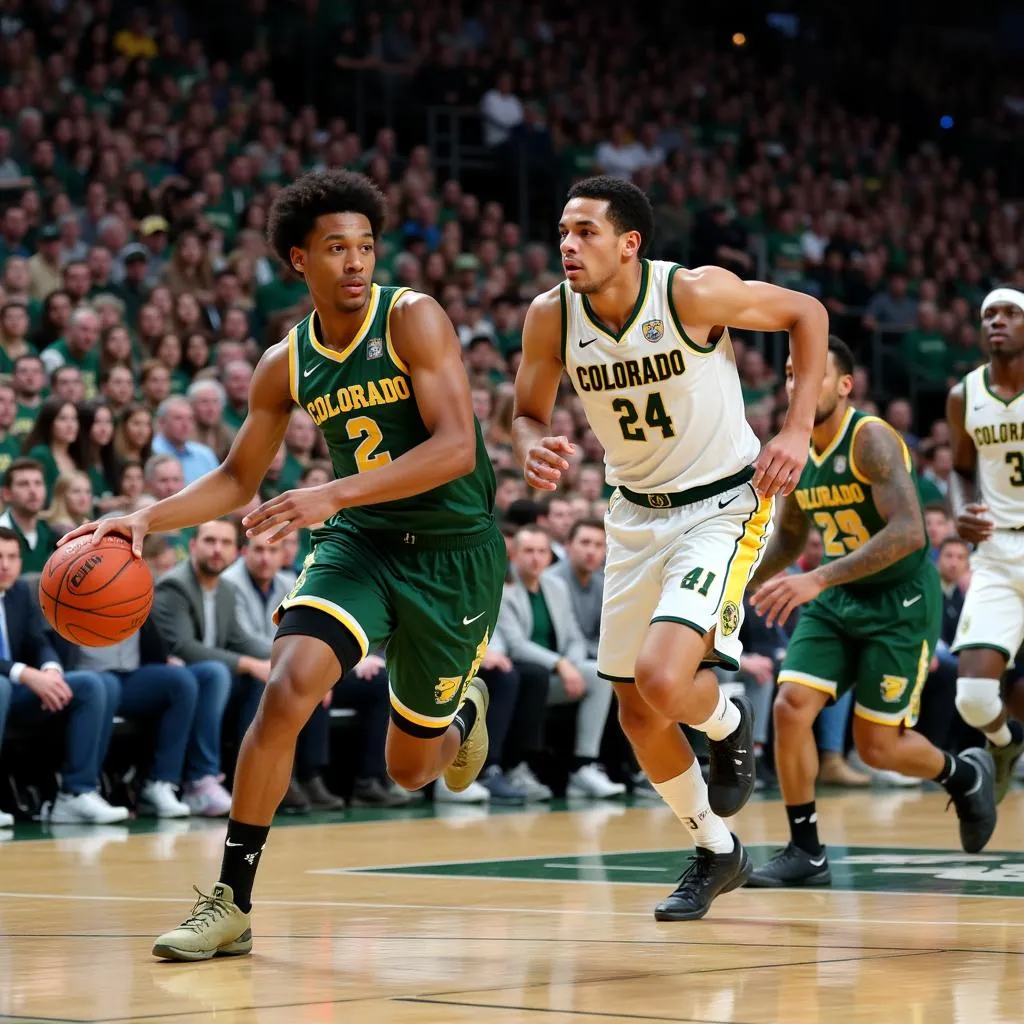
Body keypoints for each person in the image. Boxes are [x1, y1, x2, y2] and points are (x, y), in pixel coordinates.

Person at [62, 169, 505, 960]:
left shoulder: (413, 319)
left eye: (366, 246)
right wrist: (142, 518)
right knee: (287, 689)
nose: (356, 261)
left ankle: (463, 712)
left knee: (410, 770)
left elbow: (456, 447)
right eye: (336, 248)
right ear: (298, 260)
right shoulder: (285, 361)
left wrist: (331, 491)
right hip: (359, 545)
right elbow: (238, 477)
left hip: (453, 556)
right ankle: (231, 899)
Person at [511, 175, 828, 920]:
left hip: (721, 505)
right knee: (636, 710)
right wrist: (531, 445)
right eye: (562, 229)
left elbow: (806, 313)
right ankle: (718, 849)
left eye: (585, 231)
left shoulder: (689, 294)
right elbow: (526, 410)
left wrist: (796, 426)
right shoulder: (549, 317)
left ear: (629, 243)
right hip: (632, 514)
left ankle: (724, 718)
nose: (567, 243)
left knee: (659, 676)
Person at [744, 336, 996, 888]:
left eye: (809, 372)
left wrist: (816, 577)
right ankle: (805, 849)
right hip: (836, 599)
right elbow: (789, 537)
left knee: (879, 748)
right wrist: (741, 581)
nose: (796, 382)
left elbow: (911, 532)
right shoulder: (796, 445)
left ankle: (961, 774)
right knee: (789, 708)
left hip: (898, 603)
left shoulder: (871, 438)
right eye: (789, 372)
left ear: (842, 385)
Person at [947, 288, 1024, 801]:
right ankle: (1005, 741)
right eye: (989, 315)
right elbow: (959, 467)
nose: (997, 322)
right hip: (996, 554)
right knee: (972, 698)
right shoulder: (963, 396)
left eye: (1011, 314)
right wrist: (959, 509)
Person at [0, 527, 129, 824]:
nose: (5, 565)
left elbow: (38, 640)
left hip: (17, 692)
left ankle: (76, 793)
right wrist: (25, 674)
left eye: (12, 557)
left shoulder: (20, 592)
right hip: (8, 686)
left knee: (94, 684)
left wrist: (51, 671)